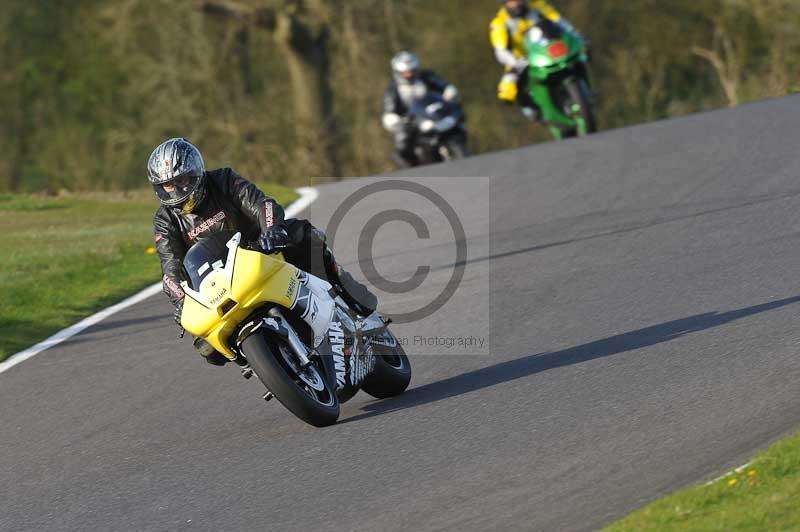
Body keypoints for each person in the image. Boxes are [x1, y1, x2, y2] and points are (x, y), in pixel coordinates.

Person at [149, 138, 377, 366]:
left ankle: (346, 292)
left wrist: (272, 230)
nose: (177, 190)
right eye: (169, 185)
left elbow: (262, 204)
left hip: (262, 249)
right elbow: (170, 266)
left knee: (305, 235)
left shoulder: (223, 180)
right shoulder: (164, 220)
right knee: (206, 346)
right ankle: (259, 360)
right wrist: (180, 299)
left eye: (181, 180)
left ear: (196, 172)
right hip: (219, 282)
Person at [489, 0, 579, 121]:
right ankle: (534, 109)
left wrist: (577, 37)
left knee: (580, 55)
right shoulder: (499, 23)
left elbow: (560, 22)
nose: (516, 3)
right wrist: (515, 62)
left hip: (548, 50)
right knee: (506, 91)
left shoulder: (538, 7)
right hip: (522, 60)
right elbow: (500, 51)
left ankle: (584, 89)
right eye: (511, 1)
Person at [381, 51, 460, 167]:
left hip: (434, 114)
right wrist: (394, 118)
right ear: (398, 72)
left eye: (411, 71)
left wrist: (449, 93)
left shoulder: (427, 77)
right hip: (413, 122)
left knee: (456, 112)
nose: (409, 75)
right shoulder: (393, 89)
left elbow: (444, 87)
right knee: (403, 141)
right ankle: (411, 166)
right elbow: (389, 109)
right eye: (405, 73)